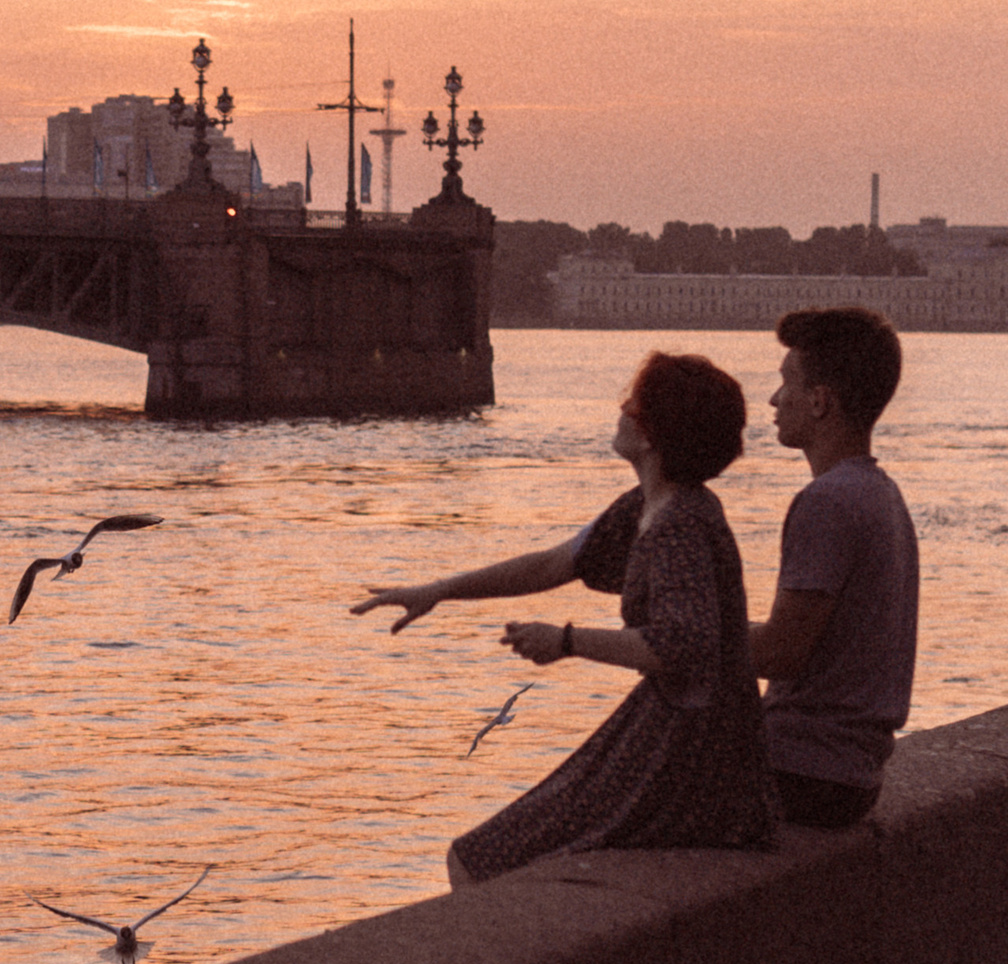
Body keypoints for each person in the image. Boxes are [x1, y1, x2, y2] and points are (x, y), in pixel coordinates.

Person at [350, 352, 776, 885]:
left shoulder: (678, 526)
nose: (621, 407)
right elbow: (554, 563)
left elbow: (681, 647)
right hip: (687, 736)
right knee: (491, 857)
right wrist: (439, 591)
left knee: (478, 861)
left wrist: (567, 641)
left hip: (691, 753)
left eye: (634, 403)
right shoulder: (649, 508)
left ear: (650, 436)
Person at [747, 307, 917, 829]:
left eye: (786, 384)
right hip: (851, 775)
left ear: (820, 400)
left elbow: (783, 652)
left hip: (801, 774)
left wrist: (680, 633)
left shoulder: (827, 502)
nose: (775, 401)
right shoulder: (882, 496)